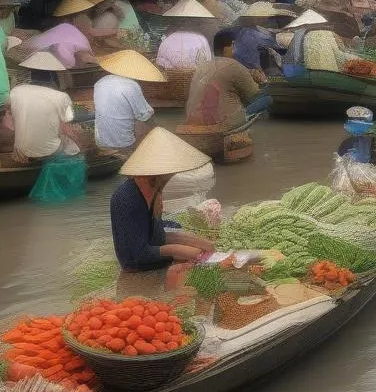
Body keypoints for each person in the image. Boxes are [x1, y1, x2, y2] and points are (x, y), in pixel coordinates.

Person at [109, 127, 214, 274]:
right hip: (139, 270)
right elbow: (138, 256)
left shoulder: (153, 193)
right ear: (154, 174)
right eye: (167, 174)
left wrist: (207, 245)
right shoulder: (127, 199)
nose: (170, 176)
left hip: (155, 259)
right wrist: (185, 251)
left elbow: (158, 236)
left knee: (205, 250)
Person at [184, 31, 270, 131]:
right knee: (267, 99)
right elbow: (253, 94)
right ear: (228, 47)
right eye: (233, 45)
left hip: (192, 122)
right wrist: (263, 82)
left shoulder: (202, 66)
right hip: (222, 125)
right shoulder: (233, 65)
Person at [7, 52, 79, 163]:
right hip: (50, 152)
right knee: (73, 147)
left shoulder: (16, 92)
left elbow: (10, 117)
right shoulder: (62, 97)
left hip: (21, 151)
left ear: (30, 74)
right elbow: (66, 128)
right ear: (53, 77)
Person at [93, 50, 166, 155]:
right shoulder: (131, 86)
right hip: (123, 143)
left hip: (100, 141)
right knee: (142, 120)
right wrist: (158, 130)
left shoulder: (100, 82)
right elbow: (145, 115)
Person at [25, 0, 99, 68]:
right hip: (30, 56)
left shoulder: (65, 28)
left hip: (29, 49)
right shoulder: (78, 40)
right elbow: (69, 59)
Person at [155, 0, 215, 70]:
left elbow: (160, 64)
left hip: (172, 78)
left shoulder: (167, 40)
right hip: (195, 78)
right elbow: (207, 64)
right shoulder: (201, 39)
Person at [231, 2, 288, 72]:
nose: (267, 18)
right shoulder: (256, 35)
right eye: (266, 16)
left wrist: (282, 30)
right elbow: (279, 43)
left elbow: (267, 31)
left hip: (240, 66)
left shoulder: (245, 29)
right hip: (251, 69)